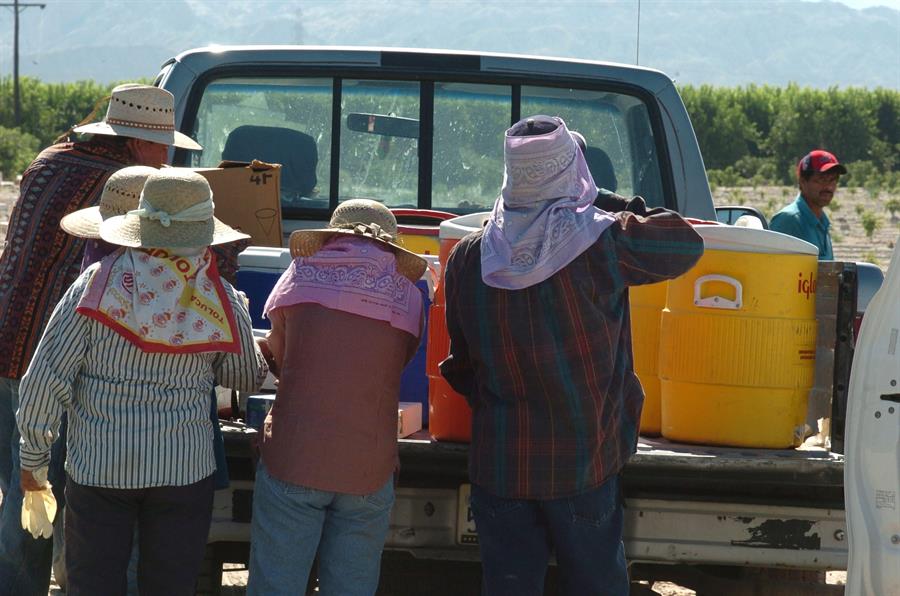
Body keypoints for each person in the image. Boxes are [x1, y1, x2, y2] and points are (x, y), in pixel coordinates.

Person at [439, 115, 704, 595]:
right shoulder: (601, 241)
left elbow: (461, 366)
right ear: (573, 171)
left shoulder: (468, 256)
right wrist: (604, 199)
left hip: (501, 463)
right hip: (584, 461)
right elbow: (686, 241)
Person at [15, 167, 268, 596]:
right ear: (204, 231)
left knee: (94, 584)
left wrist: (33, 462)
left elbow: (45, 378)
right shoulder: (218, 295)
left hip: (99, 467)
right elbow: (244, 376)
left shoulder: (95, 284)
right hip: (183, 470)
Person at [0, 83, 202, 596]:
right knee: (68, 498)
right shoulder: (125, 187)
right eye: (162, 146)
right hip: (61, 359)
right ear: (138, 144)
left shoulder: (49, 161)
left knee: (25, 490)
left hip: (7, 343)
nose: (168, 156)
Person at [247, 199, 426, 596]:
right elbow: (391, 366)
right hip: (369, 464)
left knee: (276, 586)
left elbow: (279, 356)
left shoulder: (300, 276)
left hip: (295, 454)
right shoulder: (409, 297)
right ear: (389, 245)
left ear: (333, 235)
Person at [769, 149, 848, 260]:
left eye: (833, 180)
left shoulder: (822, 223)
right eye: (822, 180)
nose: (829, 187)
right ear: (803, 182)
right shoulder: (789, 220)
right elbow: (772, 269)